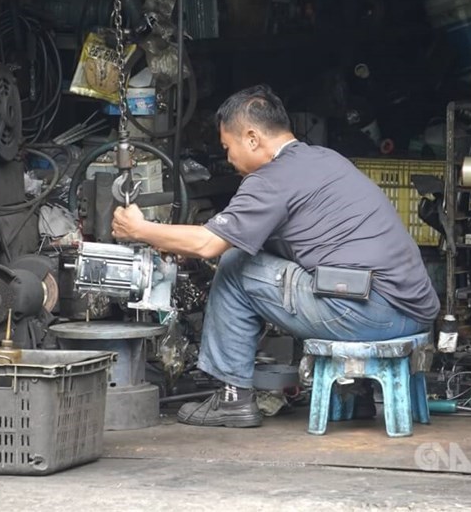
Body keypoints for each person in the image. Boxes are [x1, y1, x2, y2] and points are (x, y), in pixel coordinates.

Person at [112, 84, 440, 428]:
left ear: (252, 138)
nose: (228, 159)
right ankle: (354, 397)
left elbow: (209, 244)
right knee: (288, 262)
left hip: (370, 315)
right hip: (413, 315)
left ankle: (232, 398)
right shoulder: (325, 159)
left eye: (228, 147)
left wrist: (141, 230)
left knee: (235, 266)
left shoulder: (271, 179)